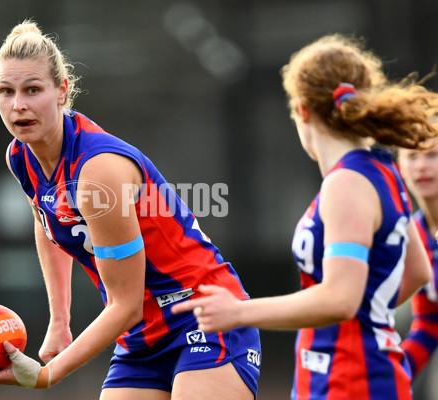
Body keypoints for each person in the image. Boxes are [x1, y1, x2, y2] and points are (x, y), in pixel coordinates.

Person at [0, 19, 261, 400]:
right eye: (6, 91)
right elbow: (48, 221)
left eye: (33, 89)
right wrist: (59, 319)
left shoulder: (96, 172)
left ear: (61, 91)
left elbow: (125, 304)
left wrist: (47, 374)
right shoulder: (21, 156)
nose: (18, 105)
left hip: (206, 316)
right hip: (141, 336)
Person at [172, 34, 438, 399]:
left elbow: (340, 300)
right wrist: (362, 317)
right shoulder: (383, 170)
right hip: (347, 373)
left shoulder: (347, 183)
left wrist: (239, 312)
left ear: (303, 109)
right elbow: (417, 272)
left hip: (351, 379)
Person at [397, 140, 438, 379]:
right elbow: (429, 323)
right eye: (412, 157)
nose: (421, 166)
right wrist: (392, 374)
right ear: (400, 166)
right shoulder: (414, 233)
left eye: (432, 155)